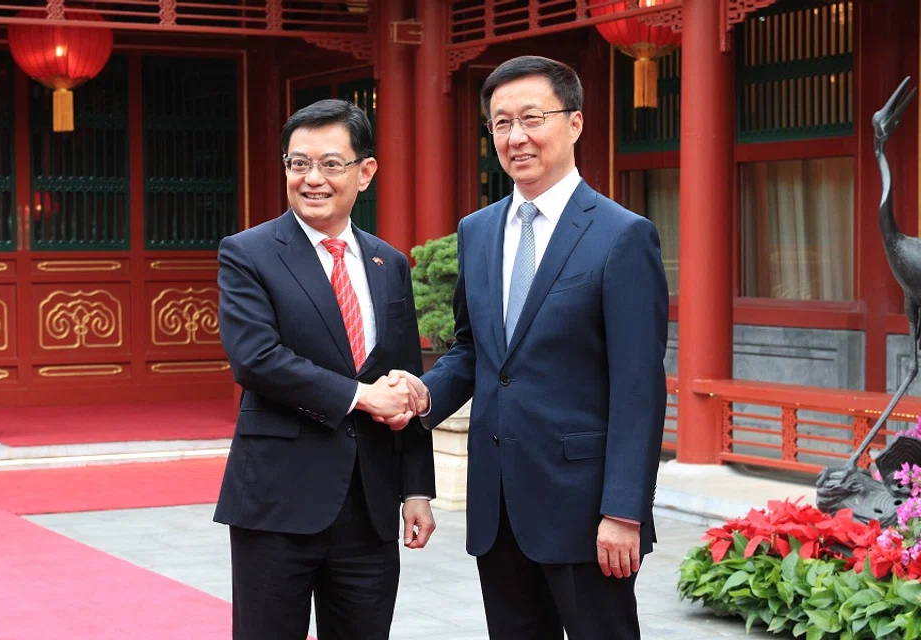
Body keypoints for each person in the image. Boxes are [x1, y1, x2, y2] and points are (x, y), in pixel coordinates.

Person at [388, 56, 668, 639]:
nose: (516, 137)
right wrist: (422, 395)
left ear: (575, 123)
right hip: (499, 501)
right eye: (500, 123)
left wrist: (624, 510)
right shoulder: (478, 230)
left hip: (586, 507)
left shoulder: (622, 235)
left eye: (532, 118)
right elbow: (473, 350)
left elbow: (639, 388)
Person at [214, 99, 436, 640]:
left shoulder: (390, 264)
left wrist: (416, 489)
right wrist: (361, 397)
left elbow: (404, 379)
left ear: (365, 172)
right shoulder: (248, 253)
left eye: (331, 164)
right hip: (277, 500)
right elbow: (256, 359)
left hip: (371, 504)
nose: (312, 179)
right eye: (298, 163)